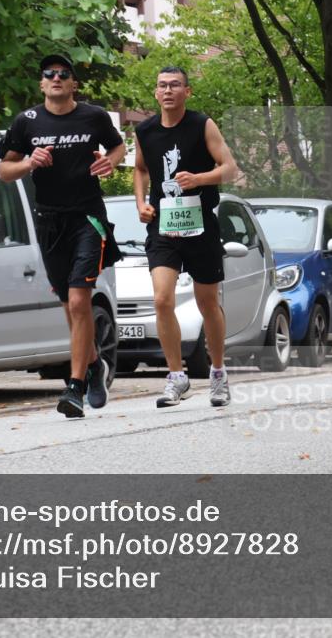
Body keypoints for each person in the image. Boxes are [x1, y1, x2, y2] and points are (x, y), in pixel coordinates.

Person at [0, 54, 126, 418]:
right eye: (49, 74)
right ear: (41, 84)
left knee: (78, 299)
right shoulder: (27, 121)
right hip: (49, 222)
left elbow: (119, 146)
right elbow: (5, 170)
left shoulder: (94, 116)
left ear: (73, 84)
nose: (56, 78)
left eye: (63, 74)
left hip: (88, 217)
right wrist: (29, 163)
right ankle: (95, 364)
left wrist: (111, 161)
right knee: (69, 304)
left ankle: (75, 387)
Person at [133, 66, 238, 408]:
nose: (168, 90)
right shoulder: (145, 130)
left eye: (175, 85)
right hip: (163, 227)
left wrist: (201, 179)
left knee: (207, 303)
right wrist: (141, 203)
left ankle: (218, 372)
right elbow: (140, 169)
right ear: (155, 92)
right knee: (162, 299)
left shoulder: (201, 124)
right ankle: (177, 377)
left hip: (200, 225)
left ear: (187, 92)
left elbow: (230, 168)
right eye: (162, 85)